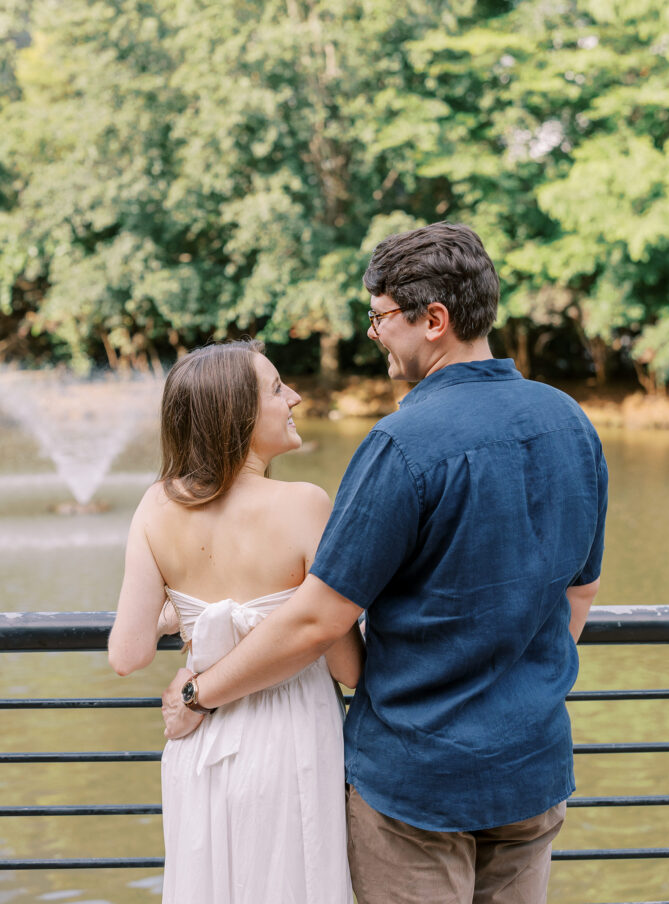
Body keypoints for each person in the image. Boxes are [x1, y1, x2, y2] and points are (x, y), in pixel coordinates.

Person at [161, 223, 607, 904]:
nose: (372, 332)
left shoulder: (402, 444)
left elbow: (318, 619)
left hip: (414, 782)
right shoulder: (569, 422)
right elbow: (580, 593)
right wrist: (510, 691)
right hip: (530, 767)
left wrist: (200, 692)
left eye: (379, 317)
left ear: (434, 320)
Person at [108, 341, 362, 904]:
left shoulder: (155, 506)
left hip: (199, 737)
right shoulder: (305, 503)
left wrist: (186, 610)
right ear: (237, 415)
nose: (293, 396)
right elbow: (347, 666)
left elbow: (127, 654)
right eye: (276, 388)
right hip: (294, 734)